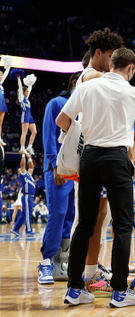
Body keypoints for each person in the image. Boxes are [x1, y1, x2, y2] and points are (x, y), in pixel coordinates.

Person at [56, 47, 135, 307]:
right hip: (117, 159)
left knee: (84, 224)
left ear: (111, 65)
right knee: (121, 225)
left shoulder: (85, 88)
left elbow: (61, 120)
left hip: (89, 158)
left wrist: (82, 135)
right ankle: (119, 291)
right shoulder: (132, 92)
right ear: (130, 69)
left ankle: (74, 290)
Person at [69, 29, 124, 293]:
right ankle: (81, 274)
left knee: (99, 216)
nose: (113, 63)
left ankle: (90, 271)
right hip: (91, 154)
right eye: (111, 57)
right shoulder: (91, 76)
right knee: (88, 219)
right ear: (98, 54)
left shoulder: (98, 77)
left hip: (96, 153)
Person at [37, 72, 81, 285]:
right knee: (58, 213)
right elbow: (49, 137)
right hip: (58, 168)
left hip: (76, 170)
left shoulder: (82, 109)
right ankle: (45, 262)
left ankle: (60, 263)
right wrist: (55, 165)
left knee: (70, 215)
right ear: (75, 83)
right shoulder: (56, 103)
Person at [10, 153, 35, 237]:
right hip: (27, 196)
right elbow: (23, 165)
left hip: (30, 196)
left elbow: (31, 167)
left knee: (24, 213)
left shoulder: (29, 175)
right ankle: (28, 230)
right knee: (28, 214)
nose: (22, 169)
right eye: (20, 169)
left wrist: (29, 158)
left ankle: (15, 229)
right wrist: (23, 155)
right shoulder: (22, 175)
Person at [17, 73, 37, 155]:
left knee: (34, 132)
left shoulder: (27, 99)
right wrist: (18, 79)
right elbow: (20, 87)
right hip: (25, 115)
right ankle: (22, 147)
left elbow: (30, 88)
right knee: (24, 132)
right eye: (27, 91)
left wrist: (31, 83)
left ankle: (29, 146)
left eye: (28, 91)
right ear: (23, 92)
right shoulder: (21, 98)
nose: (28, 92)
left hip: (30, 116)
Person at [0, 56, 12, 146]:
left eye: (1, 75)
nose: (1, 77)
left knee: (0, 123)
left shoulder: (1, 83)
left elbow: (6, 73)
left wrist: (8, 65)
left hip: (2, 103)